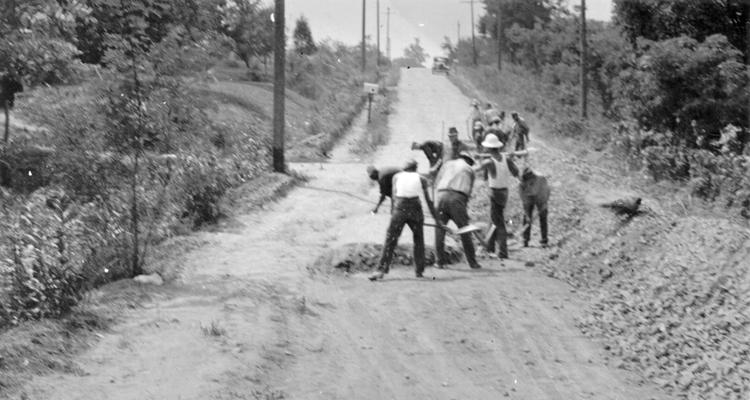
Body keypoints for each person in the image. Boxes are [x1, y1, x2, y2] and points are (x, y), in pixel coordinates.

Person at [369, 159, 439, 281]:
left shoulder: (396, 177)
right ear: (415, 168)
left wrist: (394, 213)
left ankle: (380, 270)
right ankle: (419, 270)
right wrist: (436, 218)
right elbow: (428, 201)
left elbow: (394, 196)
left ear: (404, 168)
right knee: (418, 239)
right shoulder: (421, 178)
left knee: (390, 239)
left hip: (399, 208)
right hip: (415, 209)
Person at [473, 133, 519, 259]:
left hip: (495, 193)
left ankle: (503, 252)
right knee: (493, 219)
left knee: (499, 223)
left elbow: (476, 169)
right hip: (504, 192)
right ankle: (490, 247)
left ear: (488, 148)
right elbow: (516, 172)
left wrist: (475, 161)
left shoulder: (489, 162)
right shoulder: (506, 159)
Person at [434, 151, 482, 269]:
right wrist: (463, 211)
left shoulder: (447, 164)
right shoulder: (469, 169)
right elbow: (468, 192)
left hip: (441, 195)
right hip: (457, 198)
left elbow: (437, 182)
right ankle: (472, 262)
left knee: (440, 229)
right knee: (465, 230)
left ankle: (439, 261)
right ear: (469, 160)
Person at [519, 166, 550, 248]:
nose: (528, 182)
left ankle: (544, 239)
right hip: (528, 197)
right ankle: (525, 239)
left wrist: (545, 203)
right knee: (526, 218)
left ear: (532, 176)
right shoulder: (522, 183)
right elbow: (523, 198)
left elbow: (547, 190)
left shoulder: (541, 179)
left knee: (543, 215)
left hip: (540, 195)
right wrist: (526, 213)